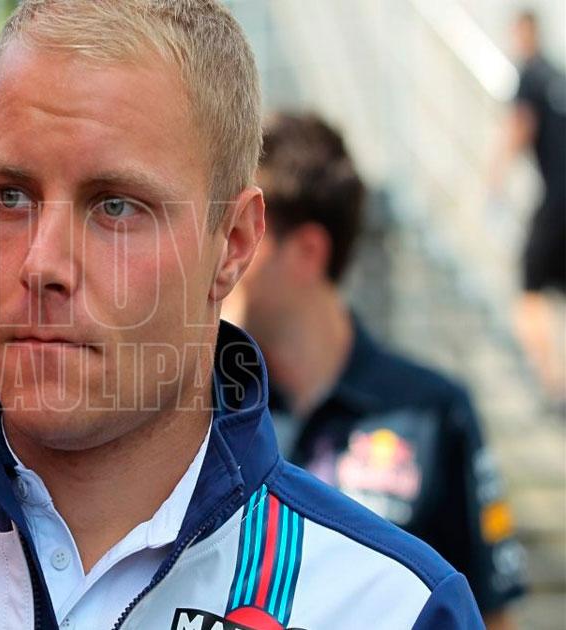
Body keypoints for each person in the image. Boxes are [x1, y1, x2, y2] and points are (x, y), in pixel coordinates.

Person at [0, 3, 483, 629]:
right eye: (10, 196)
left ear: (232, 245)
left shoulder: (387, 607)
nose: (42, 263)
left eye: (115, 207)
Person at [223, 112, 527, 629]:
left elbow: (489, 614)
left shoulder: (433, 411)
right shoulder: (214, 407)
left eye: (244, 234)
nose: (223, 255)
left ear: (308, 252)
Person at [490, 9, 566, 402]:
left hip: (556, 202)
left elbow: (520, 125)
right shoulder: (557, 75)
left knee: (528, 292)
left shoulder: (531, 75)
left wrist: (495, 177)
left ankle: (554, 386)